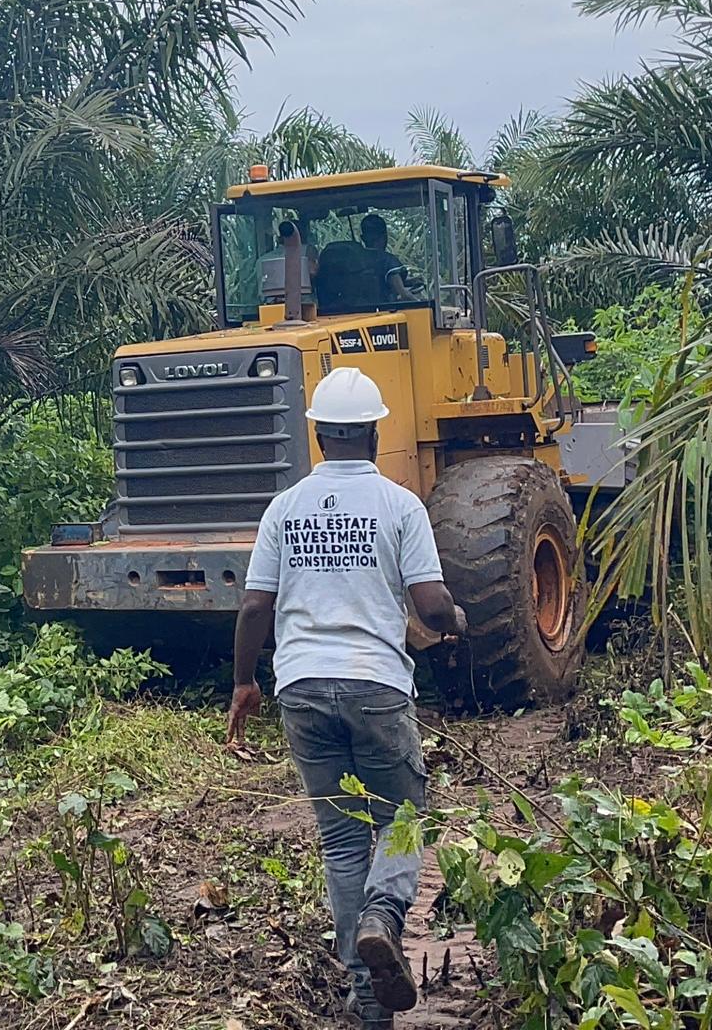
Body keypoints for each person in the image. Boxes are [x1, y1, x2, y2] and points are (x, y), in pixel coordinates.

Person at [226, 367, 467, 1025]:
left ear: (318, 433)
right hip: (375, 685)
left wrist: (246, 682)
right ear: (374, 429)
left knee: (340, 842)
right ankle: (385, 918)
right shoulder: (399, 505)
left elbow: (253, 607)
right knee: (403, 817)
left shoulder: (285, 507)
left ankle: (368, 1003)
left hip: (301, 687)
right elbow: (430, 602)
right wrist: (456, 621)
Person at [312, 213, 415, 315]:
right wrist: (421, 304)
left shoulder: (352, 261)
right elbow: (403, 294)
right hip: (381, 317)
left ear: (362, 238)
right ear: (385, 236)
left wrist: (408, 282)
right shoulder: (388, 260)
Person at [256, 216, 320, 310]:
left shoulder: (261, 260)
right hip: (305, 308)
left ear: (280, 237)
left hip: (267, 309)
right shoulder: (308, 251)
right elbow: (313, 271)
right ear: (301, 235)